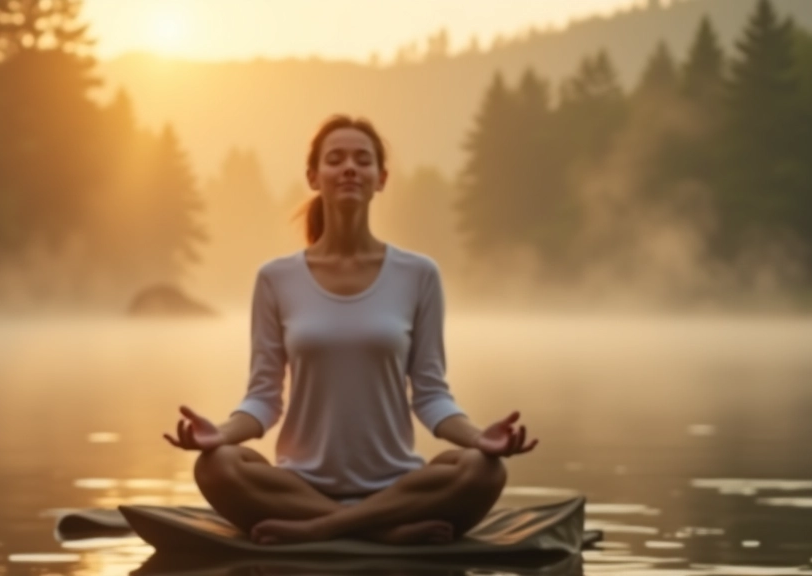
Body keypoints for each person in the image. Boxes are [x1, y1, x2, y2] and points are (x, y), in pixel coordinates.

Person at [163, 114, 538, 546]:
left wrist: (479, 438)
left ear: (380, 178)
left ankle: (321, 530)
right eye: (335, 159)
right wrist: (220, 433)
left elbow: (431, 395)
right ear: (313, 176)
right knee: (215, 465)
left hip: (398, 486)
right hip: (299, 487)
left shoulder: (418, 274)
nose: (349, 169)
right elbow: (264, 398)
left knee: (484, 469)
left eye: (362, 160)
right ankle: (387, 531)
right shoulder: (275, 278)